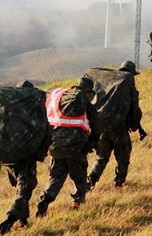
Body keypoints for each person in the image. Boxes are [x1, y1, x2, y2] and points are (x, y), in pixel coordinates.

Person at [36, 76, 100, 216]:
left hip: (55, 147)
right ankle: (77, 204)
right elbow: (96, 127)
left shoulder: (60, 98)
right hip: (75, 148)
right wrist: (90, 144)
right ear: (88, 92)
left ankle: (45, 199)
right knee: (79, 178)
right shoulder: (85, 103)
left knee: (56, 177)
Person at [0, 81, 52, 234]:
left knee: (20, 187)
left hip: (8, 156)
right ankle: (9, 219)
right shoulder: (34, 110)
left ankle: (23, 219)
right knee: (25, 190)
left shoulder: (8, 109)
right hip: (26, 156)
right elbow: (45, 130)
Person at [87, 61, 143, 190]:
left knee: (101, 157)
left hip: (102, 126)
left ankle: (90, 181)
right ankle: (119, 183)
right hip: (119, 128)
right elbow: (134, 108)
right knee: (123, 157)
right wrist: (135, 125)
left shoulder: (108, 83)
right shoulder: (127, 83)